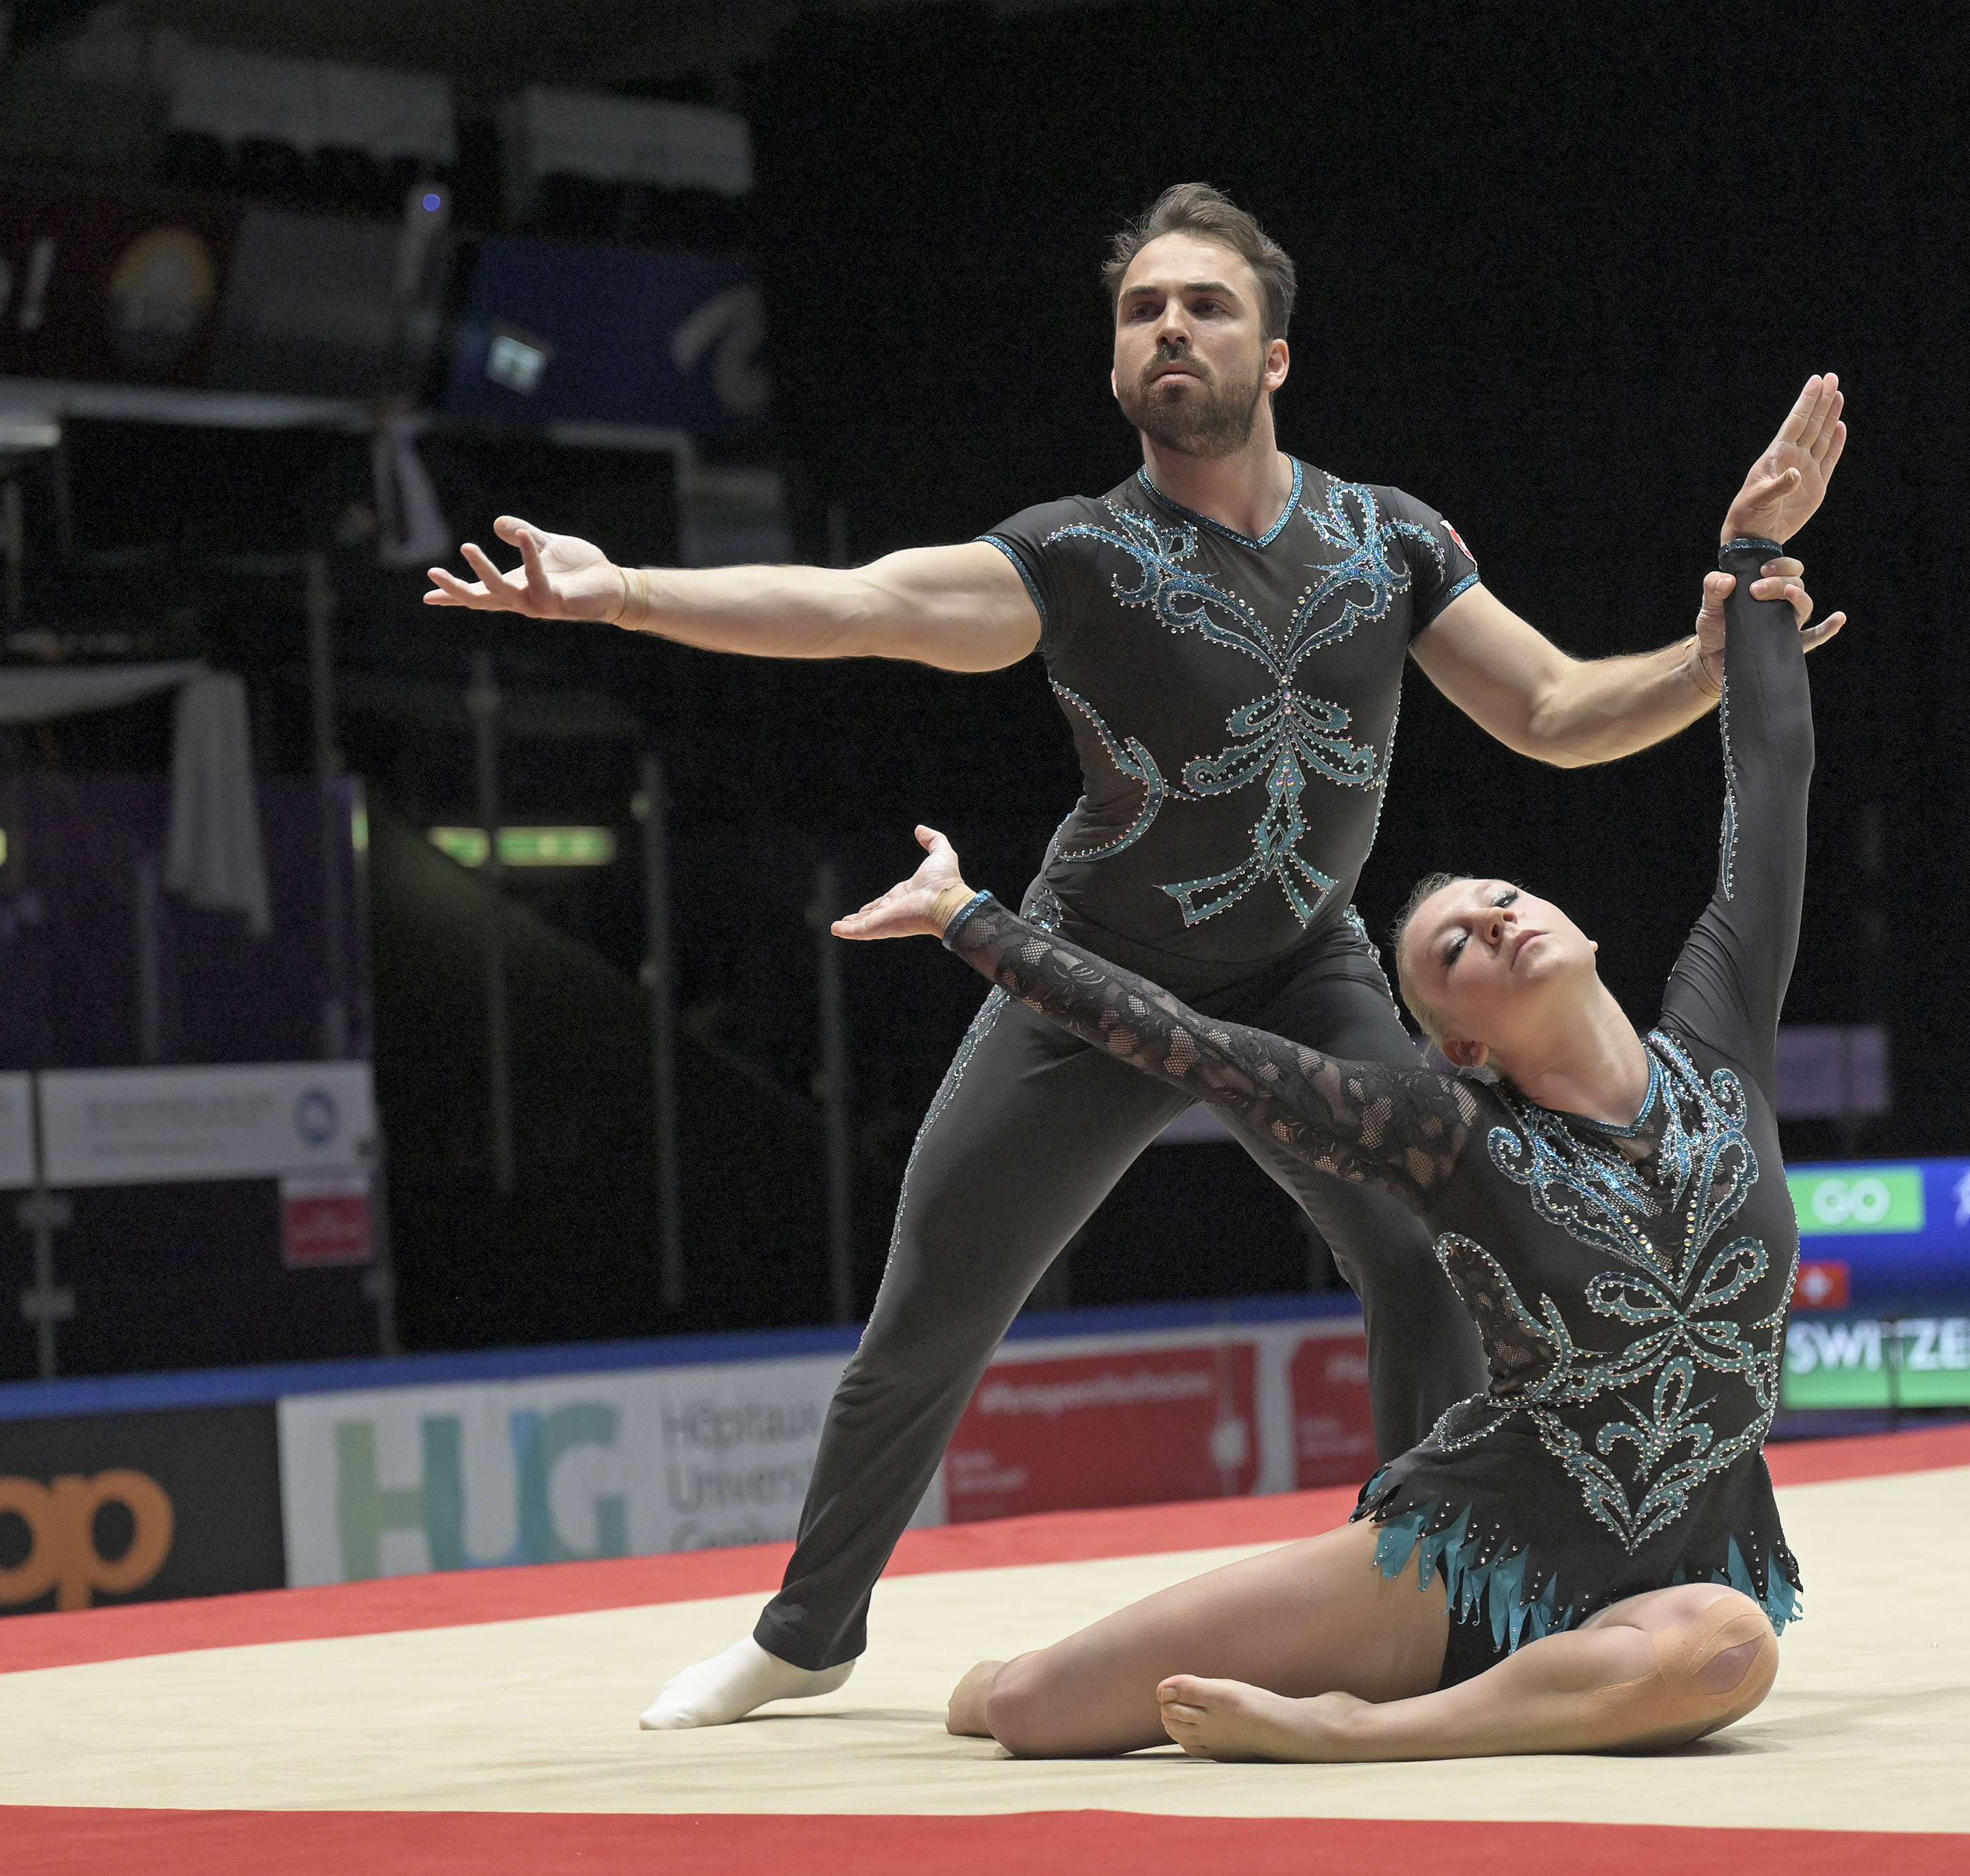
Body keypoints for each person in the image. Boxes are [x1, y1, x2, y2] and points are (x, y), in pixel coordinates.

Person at [424, 181, 1846, 1730]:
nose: (1170, 327)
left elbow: (1558, 712)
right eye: (1141, 310)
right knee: (938, 1294)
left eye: (1205, 305)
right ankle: (807, 1630)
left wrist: (1703, 665)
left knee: (1423, 1251)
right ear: (1115, 365)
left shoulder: (1389, 539)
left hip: (1307, 965)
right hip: (1091, 969)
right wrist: (626, 593)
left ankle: (1436, 1591)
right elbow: (866, 604)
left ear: (1275, 355)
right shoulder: (1081, 553)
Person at [828, 514, 1827, 1759]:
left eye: (1502, 898)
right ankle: (1026, 1677)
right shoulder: (1446, 1133)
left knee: (1732, 1647)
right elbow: (1192, 1045)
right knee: (1034, 1711)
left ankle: (1363, 1732)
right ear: (1458, 1043)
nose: (1493, 920)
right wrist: (971, 919)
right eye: (1453, 948)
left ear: (1579, 927)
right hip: (1464, 1561)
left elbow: (1772, 793)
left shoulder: (1719, 1047)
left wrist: (1754, 556)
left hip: (1668, 1581)